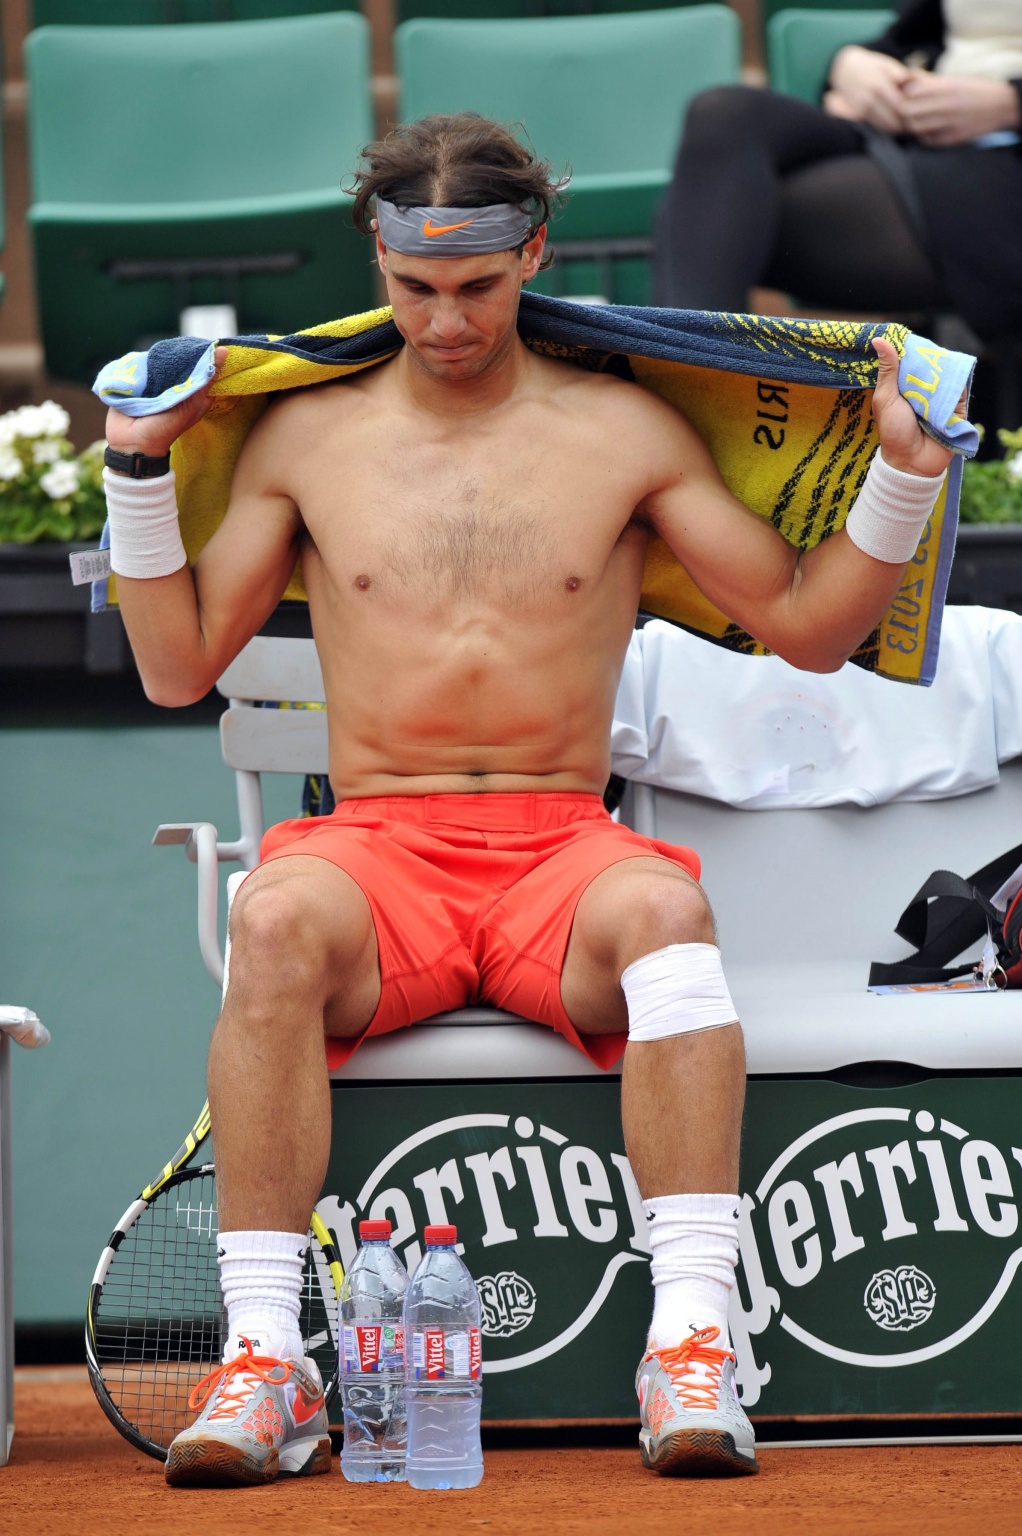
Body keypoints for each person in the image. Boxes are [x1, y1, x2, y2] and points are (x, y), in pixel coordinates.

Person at [101, 113, 959, 1488]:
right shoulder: (302, 439)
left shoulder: (620, 429)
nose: (445, 319)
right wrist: (137, 471)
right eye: (414, 288)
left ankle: (687, 1339)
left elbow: (806, 627)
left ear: (534, 254)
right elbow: (172, 665)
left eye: (479, 287)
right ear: (375, 262)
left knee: (671, 916)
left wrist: (908, 477)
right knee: (267, 924)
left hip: (561, 851)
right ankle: (263, 1358)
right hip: (376, 848)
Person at [652, 0, 1022, 354]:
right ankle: (690, 375)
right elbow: (919, 37)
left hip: (1000, 165)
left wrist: (1010, 105)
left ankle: (685, 383)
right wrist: (851, 66)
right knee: (724, 115)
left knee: (719, 211)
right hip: (917, 128)